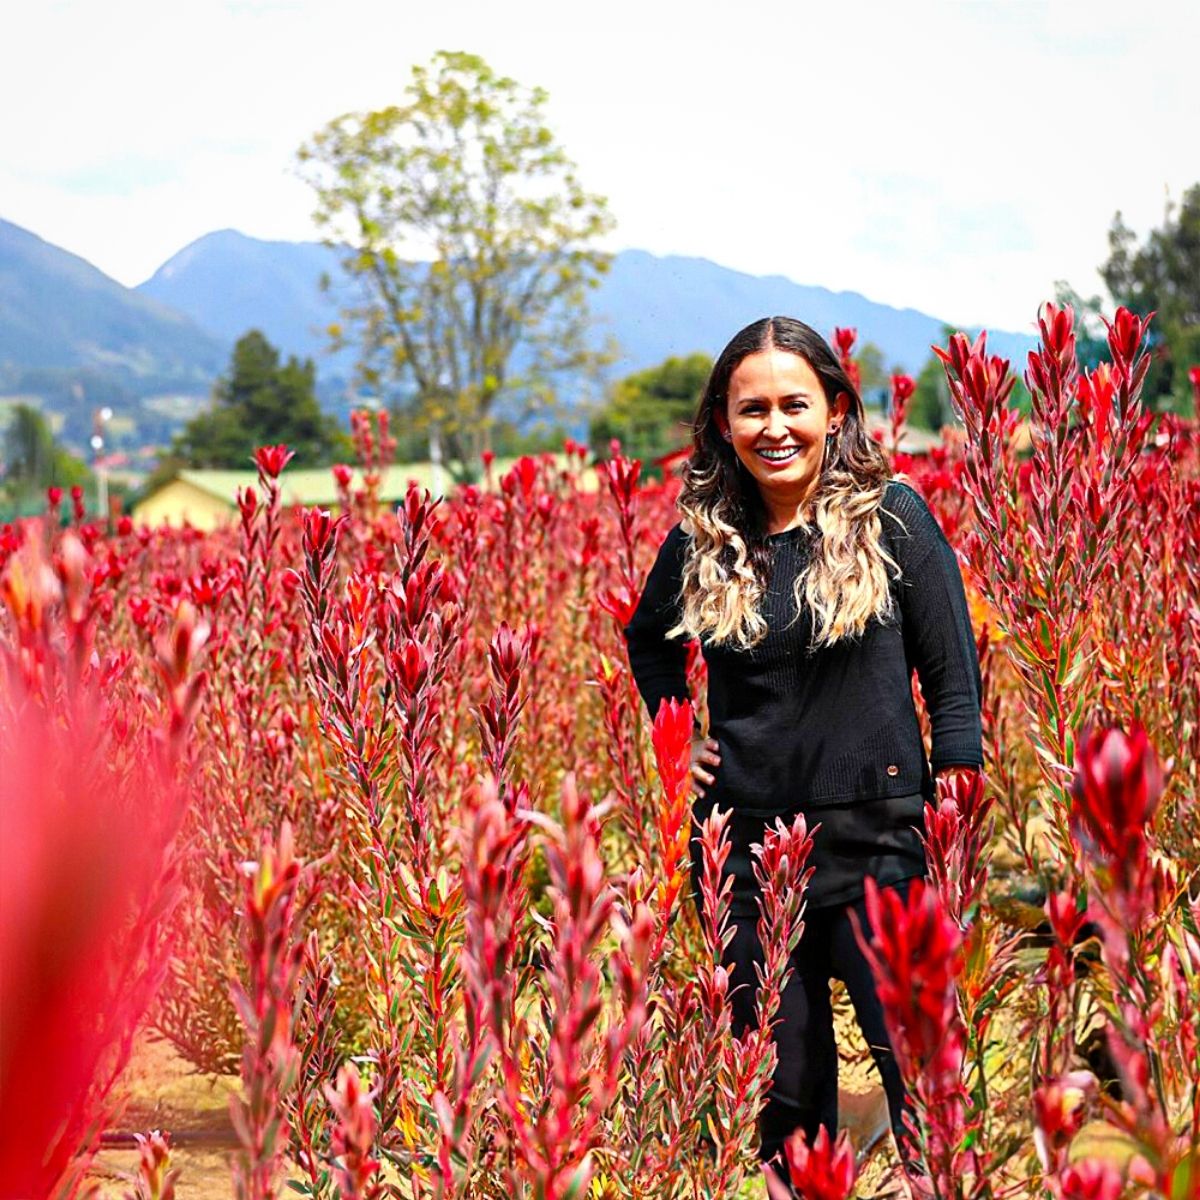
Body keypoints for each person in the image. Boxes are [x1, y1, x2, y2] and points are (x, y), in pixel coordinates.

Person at [621, 316, 982, 1190]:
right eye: (752, 410)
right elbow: (648, 641)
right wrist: (684, 737)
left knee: (924, 1077)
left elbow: (952, 675)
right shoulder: (706, 535)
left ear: (835, 409)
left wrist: (956, 792)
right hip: (745, 851)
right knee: (784, 1096)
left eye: (794, 404)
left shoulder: (891, 516)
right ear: (722, 424)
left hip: (882, 848)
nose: (773, 427)